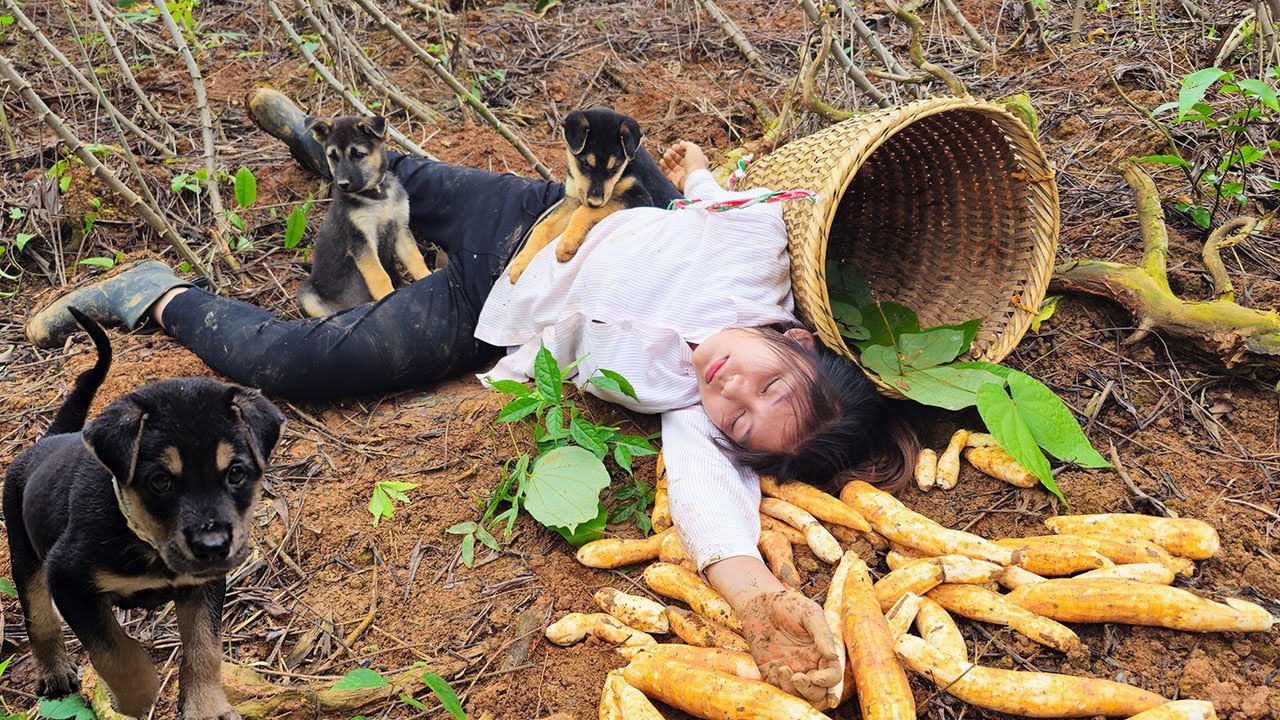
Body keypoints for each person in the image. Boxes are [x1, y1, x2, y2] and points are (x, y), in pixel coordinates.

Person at [26, 89, 920, 704]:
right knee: (394, 180)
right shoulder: (753, 257)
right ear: (793, 333)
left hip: (490, 312)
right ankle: (319, 147)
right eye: (765, 380)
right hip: (536, 220)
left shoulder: (689, 409)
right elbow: (770, 198)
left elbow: (711, 505)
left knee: (302, 366)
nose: (729, 391)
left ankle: (153, 293)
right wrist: (698, 181)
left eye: (741, 422)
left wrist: (761, 598)